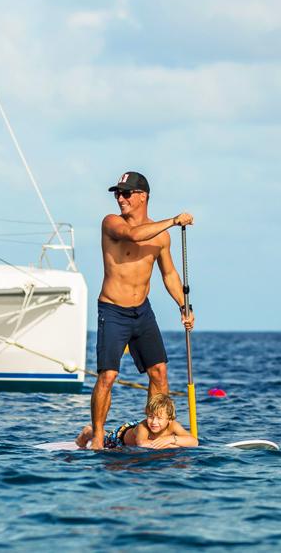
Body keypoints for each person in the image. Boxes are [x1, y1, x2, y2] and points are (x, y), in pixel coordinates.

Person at [89, 171, 194, 450]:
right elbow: (134, 236)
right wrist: (173, 221)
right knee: (108, 376)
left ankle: (154, 430)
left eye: (126, 193)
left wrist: (184, 306)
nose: (119, 198)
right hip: (112, 310)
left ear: (143, 196)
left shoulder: (161, 238)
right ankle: (98, 436)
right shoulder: (111, 223)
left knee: (159, 372)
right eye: (117, 193)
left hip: (142, 311)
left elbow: (169, 274)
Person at [75, 393, 198, 449]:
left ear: (169, 419)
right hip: (121, 435)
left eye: (159, 418)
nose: (154, 422)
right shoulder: (143, 427)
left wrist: (171, 439)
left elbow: (194, 441)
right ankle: (88, 431)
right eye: (151, 416)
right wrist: (172, 446)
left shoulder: (174, 426)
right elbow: (142, 444)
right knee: (105, 439)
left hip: (139, 433)